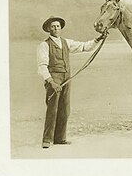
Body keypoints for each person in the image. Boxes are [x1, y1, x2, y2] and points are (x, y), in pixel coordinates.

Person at [37, 16, 106, 149]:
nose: (56, 28)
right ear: (48, 29)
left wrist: (98, 39)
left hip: (66, 78)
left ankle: (60, 138)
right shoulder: (44, 45)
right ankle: (46, 139)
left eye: (57, 26)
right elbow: (42, 66)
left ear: (60, 28)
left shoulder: (66, 42)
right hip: (53, 79)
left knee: (65, 108)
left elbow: (85, 47)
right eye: (53, 26)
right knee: (52, 109)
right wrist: (51, 81)